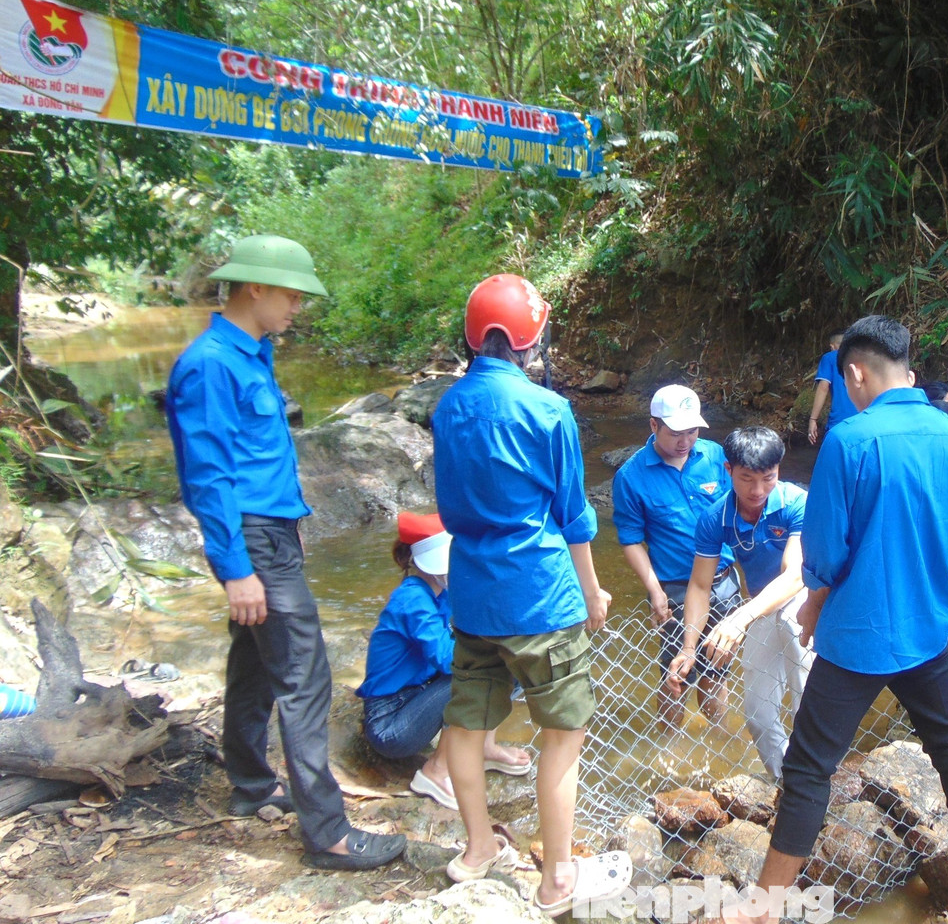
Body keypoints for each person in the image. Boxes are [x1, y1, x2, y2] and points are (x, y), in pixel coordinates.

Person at [720, 316, 948, 924]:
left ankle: (765, 903)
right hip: (926, 628)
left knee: (809, 765)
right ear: (908, 369)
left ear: (854, 373)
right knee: (947, 737)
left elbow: (825, 554)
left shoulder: (848, 440)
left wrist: (814, 608)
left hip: (856, 636)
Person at [167, 235, 406, 870]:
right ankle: (327, 833)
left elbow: (259, 456)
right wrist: (236, 568)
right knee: (305, 673)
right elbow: (207, 477)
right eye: (292, 295)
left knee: (254, 661)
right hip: (251, 542)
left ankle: (250, 784)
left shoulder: (253, 352)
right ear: (255, 288)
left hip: (271, 532)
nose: (297, 307)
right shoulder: (211, 364)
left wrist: (289, 521)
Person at [431, 273, 630, 915]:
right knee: (563, 735)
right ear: (530, 339)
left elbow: (449, 504)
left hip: (473, 597)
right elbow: (573, 516)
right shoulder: (549, 411)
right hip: (541, 598)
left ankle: (478, 847)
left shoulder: (448, 407)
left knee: (465, 723)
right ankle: (557, 881)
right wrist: (594, 592)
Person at [356, 512, 531, 813]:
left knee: (507, 668)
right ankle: (435, 771)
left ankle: (485, 749)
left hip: (417, 697)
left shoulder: (442, 592)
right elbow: (445, 656)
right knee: (475, 675)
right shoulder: (412, 600)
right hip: (390, 722)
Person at [668, 427, 814, 779]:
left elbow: (795, 575)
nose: (758, 491)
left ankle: (817, 776)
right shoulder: (715, 518)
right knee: (757, 714)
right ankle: (785, 783)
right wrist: (688, 648)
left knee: (805, 696)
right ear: (728, 469)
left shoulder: (796, 503)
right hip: (760, 607)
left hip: (804, 601)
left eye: (768, 478)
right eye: (747, 479)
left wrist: (738, 619)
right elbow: (701, 585)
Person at [612, 386, 737, 731]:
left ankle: (719, 740)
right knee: (675, 675)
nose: (685, 441)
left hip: (724, 582)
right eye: (675, 433)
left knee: (717, 670)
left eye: (692, 431)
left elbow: (741, 510)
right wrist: (655, 591)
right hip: (676, 590)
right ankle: (667, 745)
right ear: (654, 426)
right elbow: (631, 539)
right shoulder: (631, 477)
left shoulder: (714, 457)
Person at [807, 330, 855, 444]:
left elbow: (823, 387)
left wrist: (813, 419)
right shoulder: (862, 358)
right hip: (865, 419)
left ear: (832, 346)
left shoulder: (829, 358)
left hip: (840, 421)